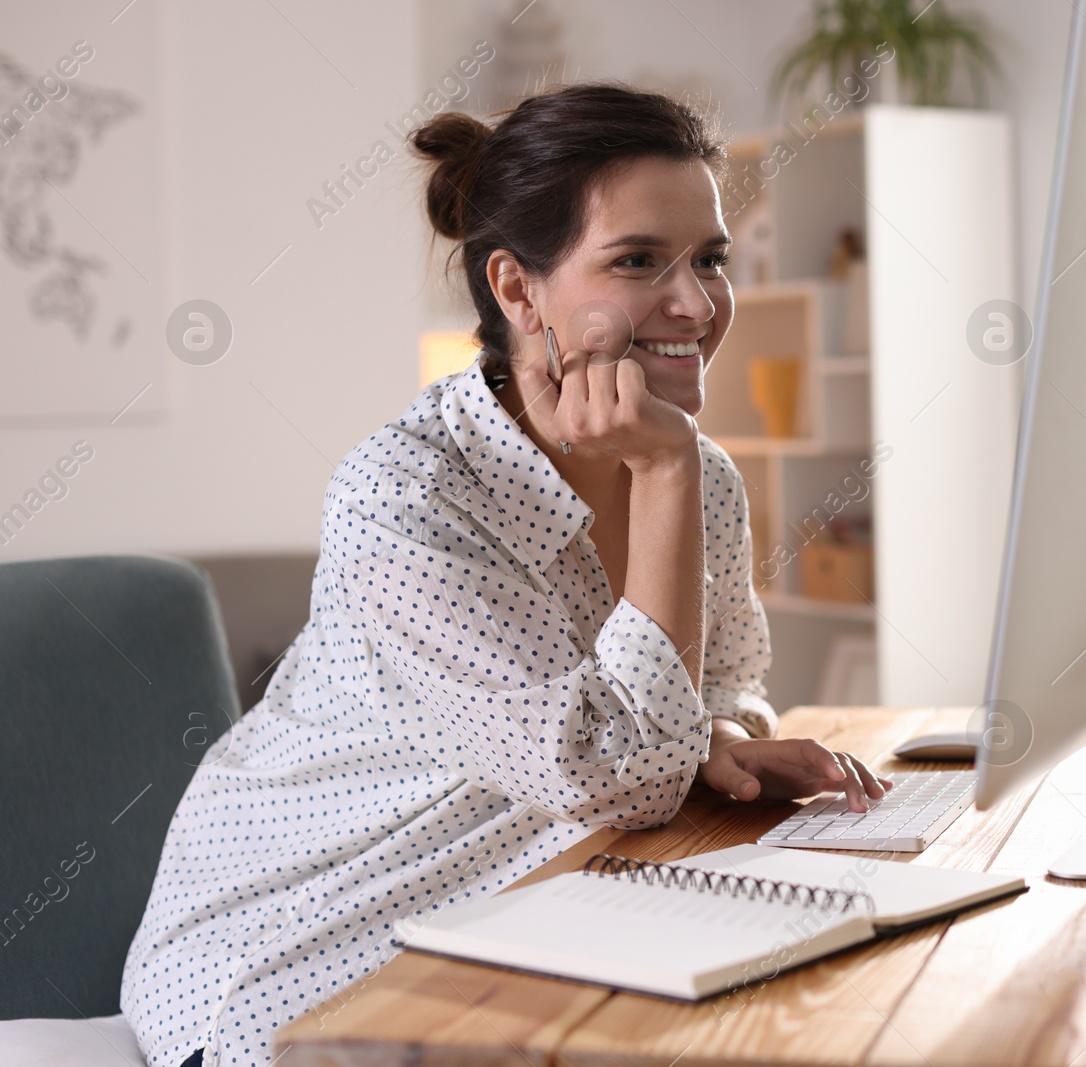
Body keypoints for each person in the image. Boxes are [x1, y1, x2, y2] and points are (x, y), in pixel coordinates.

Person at [121, 81, 891, 1067]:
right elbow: (621, 772)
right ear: (519, 291)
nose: (697, 303)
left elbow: (728, 678)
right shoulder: (404, 498)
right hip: (304, 968)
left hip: (528, 922)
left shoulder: (705, 478)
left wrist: (725, 734)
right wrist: (662, 474)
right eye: (637, 260)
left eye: (709, 258)